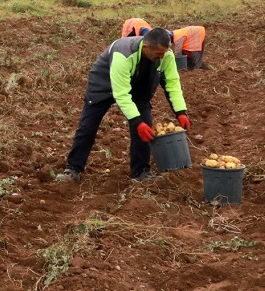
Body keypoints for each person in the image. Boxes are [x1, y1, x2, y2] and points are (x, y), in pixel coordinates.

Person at [56, 28, 192, 183]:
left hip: (138, 83)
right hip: (104, 82)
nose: (162, 57)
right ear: (146, 47)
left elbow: (172, 83)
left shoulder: (166, 55)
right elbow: (121, 94)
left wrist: (181, 112)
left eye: (164, 53)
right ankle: (73, 168)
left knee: (145, 125)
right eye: (158, 54)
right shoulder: (123, 54)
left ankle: (141, 171)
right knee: (88, 125)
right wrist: (136, 122)